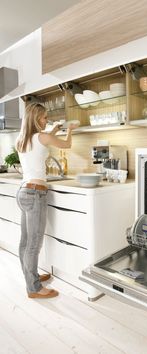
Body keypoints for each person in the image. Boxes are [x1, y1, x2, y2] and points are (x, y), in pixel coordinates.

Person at [15, 102, 79, 299]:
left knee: (26, 241)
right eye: (43, 117)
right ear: (36, 119)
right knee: (34, 243)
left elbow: (42, 141)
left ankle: (30, 276)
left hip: (24, 191)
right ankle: (33, 288)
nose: (46, 120)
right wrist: (69, 129)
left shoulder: (21, 139)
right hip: (35, 194)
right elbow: (66, 144)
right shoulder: (43, 136)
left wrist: (54, 129)